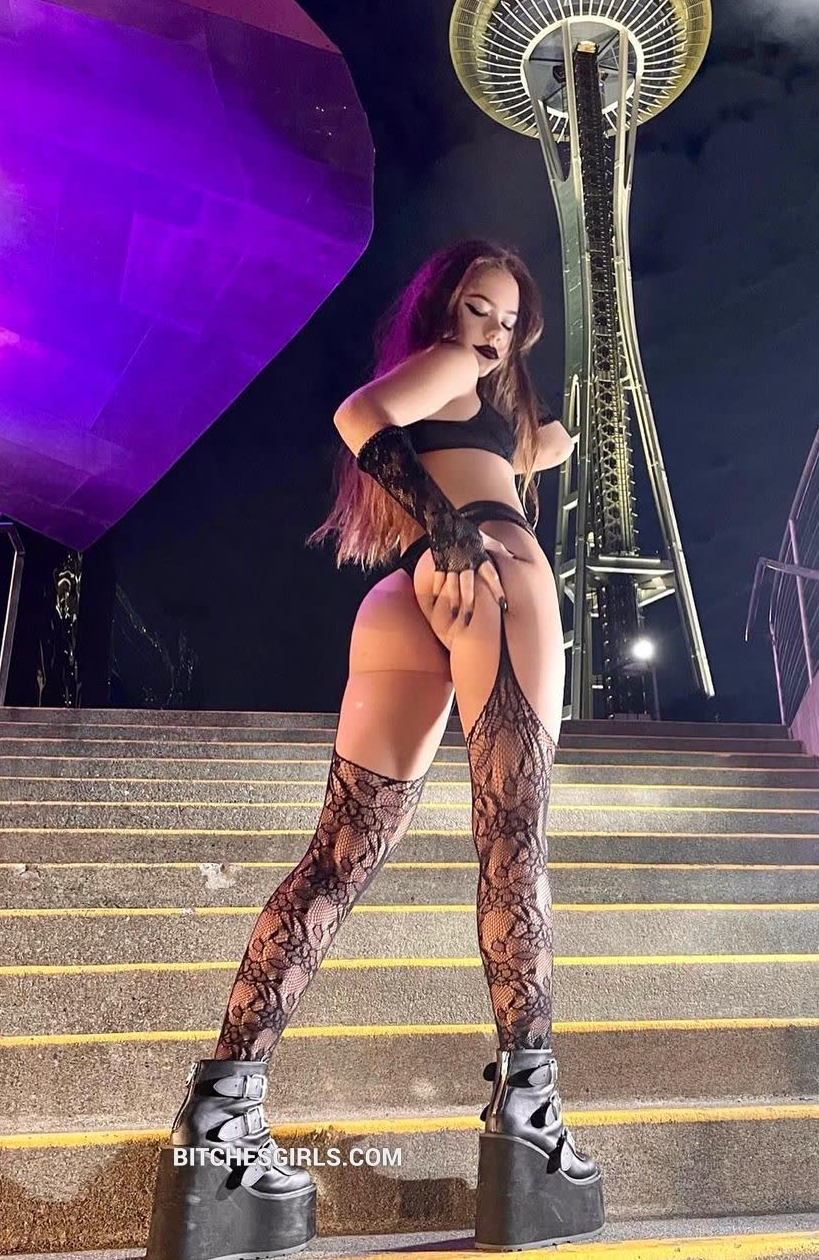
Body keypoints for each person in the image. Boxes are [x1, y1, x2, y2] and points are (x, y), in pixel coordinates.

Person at [144, 239, 605, 1258]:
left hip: (406, 594)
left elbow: (514, 448)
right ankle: (531, 1125)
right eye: (477, 309)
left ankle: (221, 1121)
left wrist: (539, 446)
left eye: (508, 321)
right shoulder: (449, 364)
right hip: (484, 564)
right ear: (444, 307)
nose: (491, 335)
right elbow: (362, 417)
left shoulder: (476, 397)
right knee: (513, 846)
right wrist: (452, 526)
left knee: (335, 862)